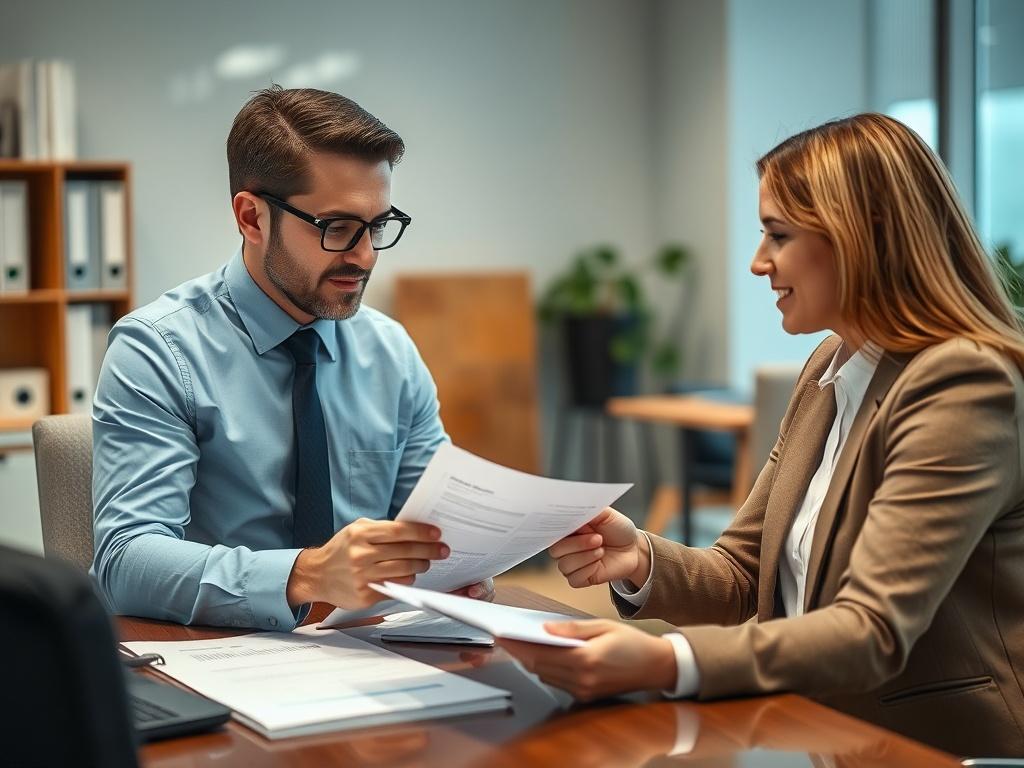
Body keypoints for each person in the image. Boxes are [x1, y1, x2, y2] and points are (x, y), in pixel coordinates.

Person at [499, 113, 1024, 757]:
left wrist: (667, 661)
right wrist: (638, 557)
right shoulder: (828, 371)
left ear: (863, 236)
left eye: (777, 235)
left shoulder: (961, 382)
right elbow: (744, 573)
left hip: (938, 750)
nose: (757, 263)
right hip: (822, 734)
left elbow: (871, 631)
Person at [91, 86, 491, 631]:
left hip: (374, 649)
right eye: (338, 228)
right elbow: (126, 562)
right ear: (251, 217)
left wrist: (468, 562)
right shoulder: (157, 350)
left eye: (378, 225)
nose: (366, 255)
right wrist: (307, 574)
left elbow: (436, 523)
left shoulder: (389, 351)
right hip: (224, 660)